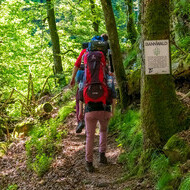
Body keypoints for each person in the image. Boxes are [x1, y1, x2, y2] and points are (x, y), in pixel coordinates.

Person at [78, 47, 116, 173]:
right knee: (103, 132)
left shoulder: (85, 75)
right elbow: (113, 93)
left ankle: (89, 163)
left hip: (89, 109)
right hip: (103, 108)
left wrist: (80, 111)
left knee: (89, 136)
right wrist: (113, 110)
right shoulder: (106, 75)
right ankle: (102, 156)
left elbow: (80, 94)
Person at [70, 42, 88, 133]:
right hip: (92, 77)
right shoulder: (97, 53)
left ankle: (80, 120)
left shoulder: (83, 52)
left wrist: (72, 78)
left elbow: (76, 66)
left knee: (79, 98)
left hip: (81, 75)